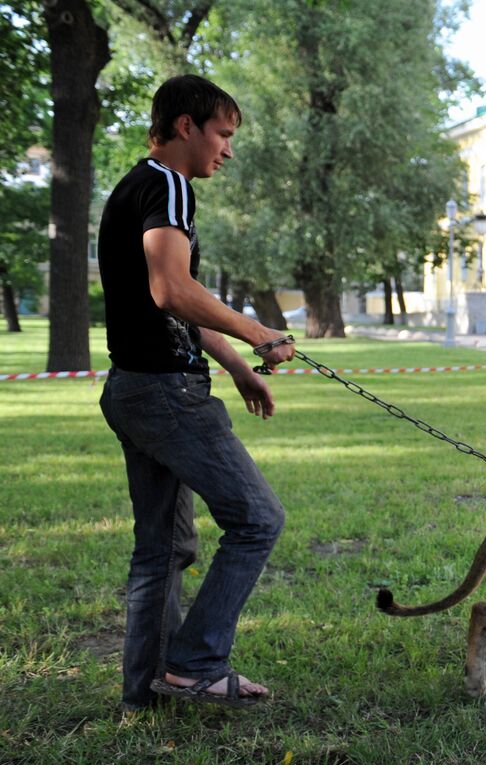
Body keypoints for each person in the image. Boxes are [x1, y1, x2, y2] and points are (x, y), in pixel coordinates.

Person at [97, 74, 295, 711]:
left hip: (132, 389)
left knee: (162, 548)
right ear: (186, 126)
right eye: (223, 134)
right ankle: (197, 663)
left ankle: (145, 693)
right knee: (258, 519)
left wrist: (238, 366)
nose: (227, 151)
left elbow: (174, 306)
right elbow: (172, 292)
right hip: (167, 395)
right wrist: (259, 332)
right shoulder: (170, 185)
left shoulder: (133, 186)